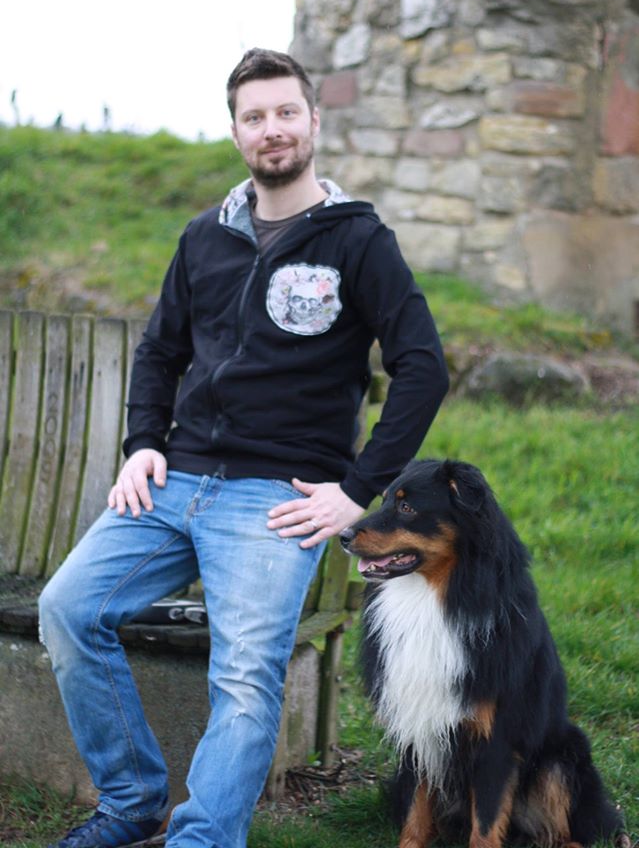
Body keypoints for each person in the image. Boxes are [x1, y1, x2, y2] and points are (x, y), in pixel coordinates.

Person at [39, 48, 449, 848]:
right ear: (235, 133)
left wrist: (355, 489)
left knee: (244, 674)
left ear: (313, 121)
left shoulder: (358, 240)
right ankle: (130, 805)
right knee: (68, 610)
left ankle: (200, 840)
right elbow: (160, 351)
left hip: (277, 498)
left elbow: (422, 368)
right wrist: (142, 443)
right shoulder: (204, 237)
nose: (272, 129)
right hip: (174, 480)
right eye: (254, 117)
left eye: (285, 112)